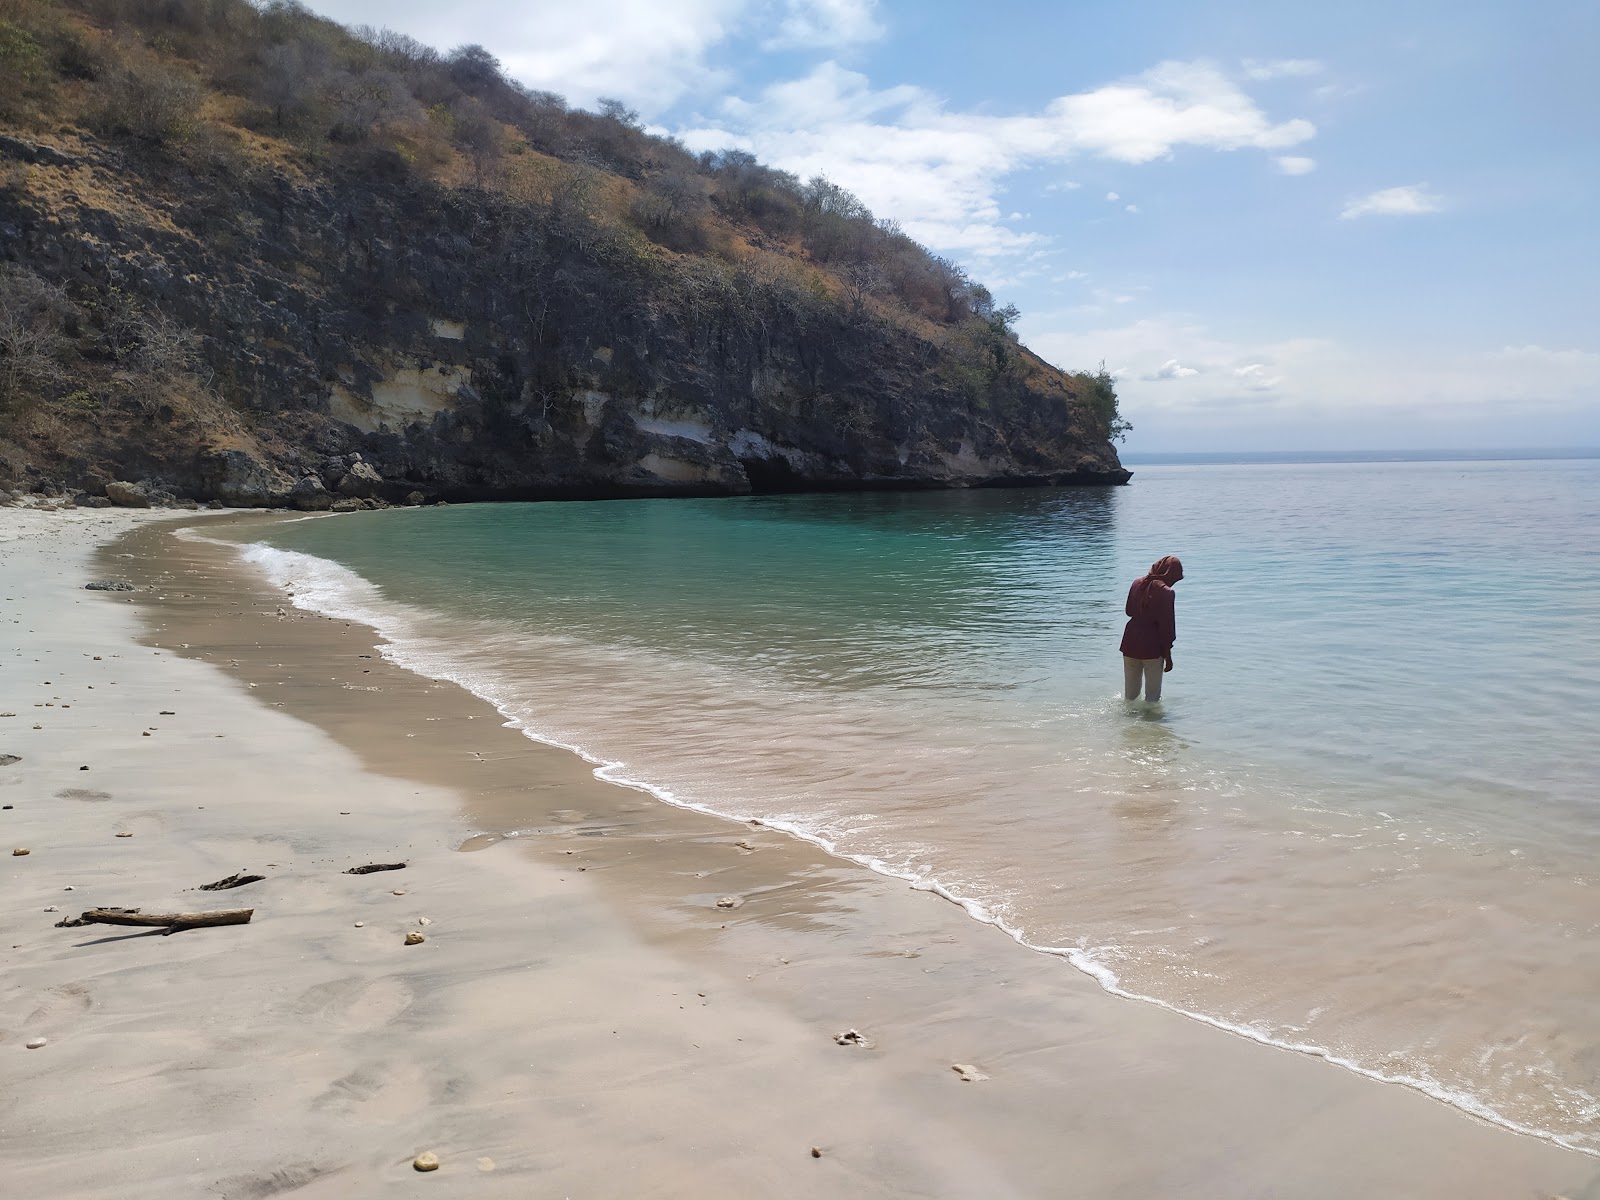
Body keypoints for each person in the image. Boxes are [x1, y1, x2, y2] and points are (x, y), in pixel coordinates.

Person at [1121, 555, 1183, 702]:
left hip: (1130, 642)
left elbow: (1129, 611)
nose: (1174, 583)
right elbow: (1167, 628)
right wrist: (1168, 656)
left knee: (1130, 696)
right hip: (1152, 647)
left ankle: (1127, 722)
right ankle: (1150, 724)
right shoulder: (1167, 592)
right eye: (1175, 579)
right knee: (1152, 697)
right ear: (1171, 575)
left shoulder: (1137, 582)